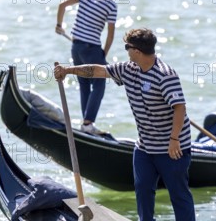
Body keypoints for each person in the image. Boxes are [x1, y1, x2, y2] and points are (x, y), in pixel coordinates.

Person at [54, 28, 195, 221]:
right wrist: (68, 70)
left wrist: (174, 139)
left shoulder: (165, 75)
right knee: (143, 191)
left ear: (136, 50)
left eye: (127, 47)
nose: (126, 50)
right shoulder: (128, 69)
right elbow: (99, 70)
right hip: (145, 148)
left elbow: (180, 108)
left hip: (173, 148)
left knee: (179, 195)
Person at [55, 0, 125, 135]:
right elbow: (111, 35)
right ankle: (87, 123)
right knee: (99, 84)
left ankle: (86, 124)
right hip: (92, 48)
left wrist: (59, 24)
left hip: (76, 47)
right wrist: (103, 55)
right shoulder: (111, 6)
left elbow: (62, 5)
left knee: (84, 83)